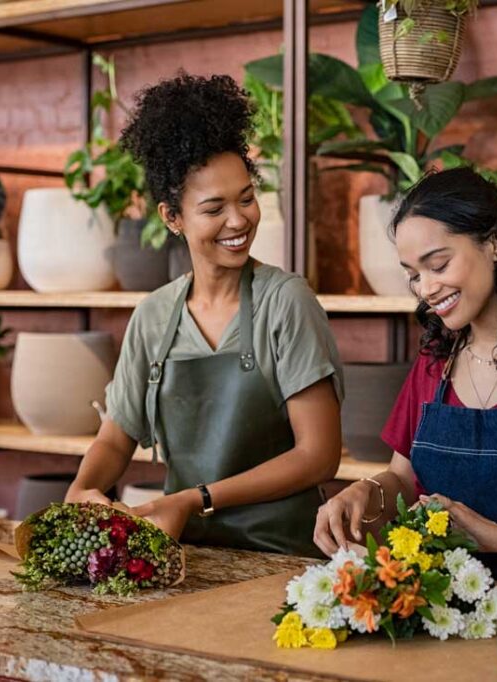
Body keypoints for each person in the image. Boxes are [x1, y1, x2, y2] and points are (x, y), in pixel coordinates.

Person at [66, 73, 344, 559]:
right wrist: (81, 492)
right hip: (189, 556)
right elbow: (115, 440)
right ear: (172, 218)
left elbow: (318, 456)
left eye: (246, 198)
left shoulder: (286, 301)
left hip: (282, 558)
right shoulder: (153, 317)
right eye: (214, 208)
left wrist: (195, 500)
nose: (238, 221)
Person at [314, 167, 497, 583]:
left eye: (438, 264)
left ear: (493, 242)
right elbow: (403, 477)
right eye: (414, 275)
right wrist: (367, 492)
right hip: (439, 607)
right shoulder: (436, 363)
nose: (426, 288)